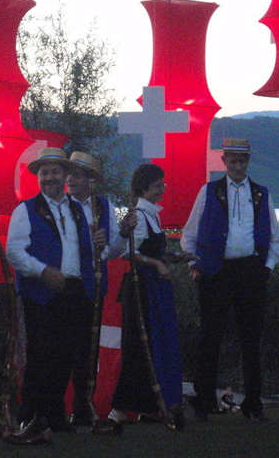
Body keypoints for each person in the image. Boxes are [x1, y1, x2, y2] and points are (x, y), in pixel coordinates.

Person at [181, 138, 279, 422]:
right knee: (209, 338)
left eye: (243, 161)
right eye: (233, 160)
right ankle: (203, 402)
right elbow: (189, 234)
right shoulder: (209, 191)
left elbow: (276, 239)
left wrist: (267, 268)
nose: (238, 166)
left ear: (248, 162)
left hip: (251, 272)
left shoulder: (261, 194)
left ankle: (253, 403)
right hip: (215, 273)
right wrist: (195, 264)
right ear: (224, 161)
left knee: (251, 339)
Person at [5, 147, 105, 434]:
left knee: (66, 356)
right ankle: (29, 416)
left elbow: (86, 251)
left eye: (55, 172)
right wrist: (43, 271)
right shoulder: (25, 210)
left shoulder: (78, 210)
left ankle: (55, 415)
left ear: (65, 175)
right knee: (40, 356)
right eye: (44, 172)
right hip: (40, 293)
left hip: (74, 290)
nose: (49, 177)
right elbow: (14, 252)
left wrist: (98, 245)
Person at [100, 163, 184, 432]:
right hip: (141, 289)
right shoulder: (138, 216)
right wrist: (156, 264)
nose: (162, 190)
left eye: (162, 185)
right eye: (158, 186)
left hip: (155, 289)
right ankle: (119, 409)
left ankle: (149, 405)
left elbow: (151, 250)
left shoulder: (152, 216)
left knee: (156, 345)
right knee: (139, 346)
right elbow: (130, 252)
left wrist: (173, 257)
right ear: (144, 188)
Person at [65, 151, 134, 427]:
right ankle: (62, 406)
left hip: (94, 283)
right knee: (66, 346)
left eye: (77, 175)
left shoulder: (103, 206)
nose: (71, 180)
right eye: (70, 175)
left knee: (88, 347)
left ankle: (83, 406)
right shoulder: (62, 205)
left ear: (90, 180)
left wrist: (122, 234)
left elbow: (114, 251)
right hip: (68, 281)